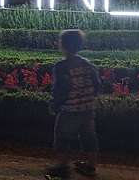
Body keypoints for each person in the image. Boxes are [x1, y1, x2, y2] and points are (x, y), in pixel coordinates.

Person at [45, 29, 100, 178]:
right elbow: (97, 84)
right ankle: (91, 166)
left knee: (62, 136)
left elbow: (60, 90)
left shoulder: (61, 67)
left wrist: (55, 105)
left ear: (62, 45)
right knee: (89, 136)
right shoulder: (88, 64)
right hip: (88, 108)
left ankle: (62, 165)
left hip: (69, 109)